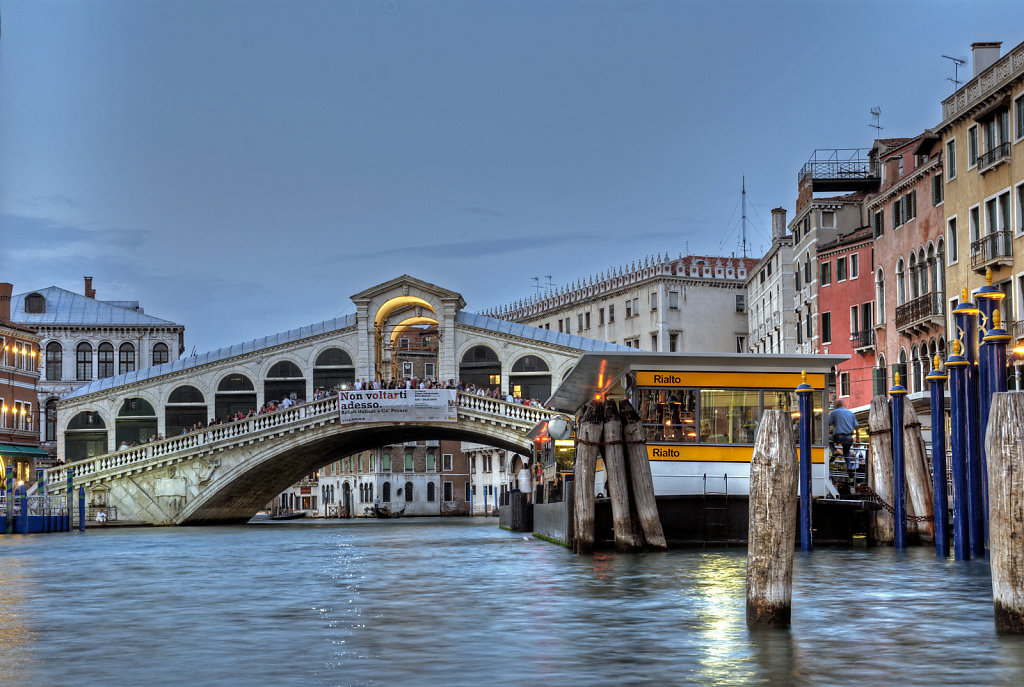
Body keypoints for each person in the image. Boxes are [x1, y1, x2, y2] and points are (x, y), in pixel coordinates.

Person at [829, 400, 859, 480]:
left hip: (838, 436)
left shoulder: (833, 413)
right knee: (846, 451)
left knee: (828, 439)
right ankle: (849, 467)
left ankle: (834, 451)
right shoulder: (850, 413)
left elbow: (829, 423)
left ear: (836, 405)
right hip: (849, 438)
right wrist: (857, 438)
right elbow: (856, 426)